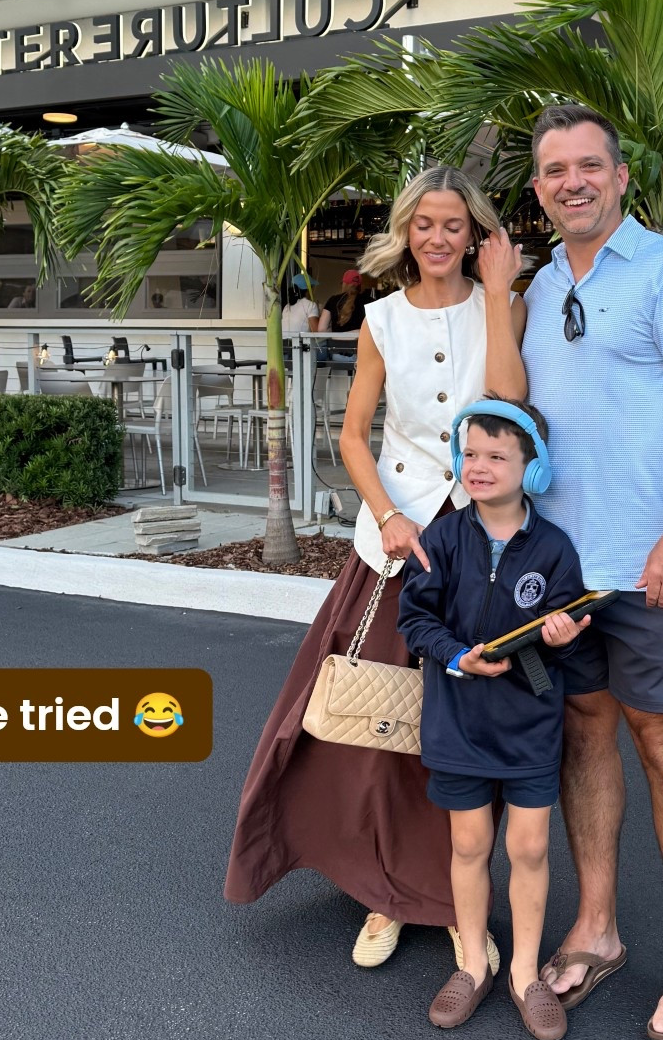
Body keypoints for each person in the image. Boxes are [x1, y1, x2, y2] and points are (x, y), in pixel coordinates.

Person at [223, 167, 527, 973]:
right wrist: (389, 517)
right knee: (380, 732)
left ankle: (462, 909)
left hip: (480, 546)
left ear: (474, 234)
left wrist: (498, 294)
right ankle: (384, 894)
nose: (437, 237)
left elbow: (508, 407)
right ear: (406, 230)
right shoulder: (382, 319)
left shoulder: (502, 306)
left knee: (463, 735)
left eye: (453, 225)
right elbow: (355, 435)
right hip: (393, 550)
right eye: (423, 223)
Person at [486, 103, 663, 1040]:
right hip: (560, 570)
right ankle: (597, 928)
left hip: (651, 565)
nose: (571, 182)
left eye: (587, 165)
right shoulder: (542, 286)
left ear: (621, 176)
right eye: (553, 171)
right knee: (584, 735)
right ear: (541, 189)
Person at [398, 398, 589, 1040]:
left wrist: (563, 637)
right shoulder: (443, 537)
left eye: (497, 457)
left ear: (531, 469)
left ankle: (527, 975)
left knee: (529, 847)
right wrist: (455, 654)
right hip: (457, 721)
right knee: (468, 845)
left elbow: (578, 637)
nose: (479, 467)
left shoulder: (555, 548)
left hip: (530, 725)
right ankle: (474, 965)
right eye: (470, 454)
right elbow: (414, 619)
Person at [318, 269, 368, 336]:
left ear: (344, 284)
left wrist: (335, 333)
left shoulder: (333, 300)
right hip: (360, 344)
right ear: (360, 286)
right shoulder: (370, 301)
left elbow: (321, 329)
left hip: (336, 344)